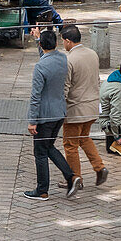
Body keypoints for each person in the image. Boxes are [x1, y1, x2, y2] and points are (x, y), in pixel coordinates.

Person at [25, 28, 81, 200]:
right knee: (48, 147)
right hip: (59, 112)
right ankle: (71, 176)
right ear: (56, 43)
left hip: (45, 116)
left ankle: (42, 190)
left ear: (42, 45)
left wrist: (32, 121)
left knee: (40, 153)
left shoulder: (40, 67)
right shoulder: (62, 58)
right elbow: (46, 56)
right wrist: (38, 39)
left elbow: (36, 96)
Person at [61, 24, 108, 187]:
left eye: (63, 42)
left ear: (67, 41)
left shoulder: (69, 59)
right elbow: (97, 79)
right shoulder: (92, 54)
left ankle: (75, 177)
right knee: (84, 138)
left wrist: (60, 108)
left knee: (70, 145)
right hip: (92, 107)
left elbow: (65, 87)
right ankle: (99, 167)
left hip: (75, 109)